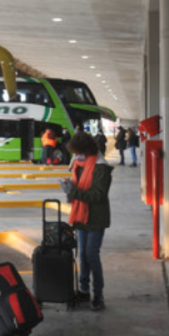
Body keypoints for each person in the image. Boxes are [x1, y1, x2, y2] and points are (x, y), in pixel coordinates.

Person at [60, 131, 112, 311]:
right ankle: (84, 290)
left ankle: (98, 295)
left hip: (96, 217)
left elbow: (97, 195)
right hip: (80, 216)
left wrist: (72, 191)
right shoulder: (79, 164)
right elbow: (79, 187)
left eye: (78, 152)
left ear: (86, 150)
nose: (76, 156)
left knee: (91, 255)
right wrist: (69, 189)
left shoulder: (101, 168)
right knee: (82, 254)